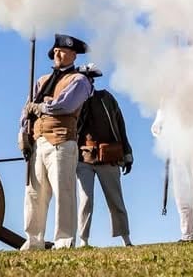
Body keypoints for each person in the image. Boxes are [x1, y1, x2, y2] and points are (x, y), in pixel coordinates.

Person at [20, 33, 93, 250]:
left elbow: (65, 105)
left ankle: (63, 240)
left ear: (73, 55)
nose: (57, 54)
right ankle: (34, 240)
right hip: (38, 141)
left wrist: (42, 107)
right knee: (34, 193)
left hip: (62, 141)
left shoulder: (80, 81)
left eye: (63, 51)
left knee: (64, 192)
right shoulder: (41, 81)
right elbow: (26, 109)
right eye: (56, 51)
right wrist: (23, 132)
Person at [74, 63, 133, 247]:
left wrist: (127, 153)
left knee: (116, 200)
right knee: (85, 202)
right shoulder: (75, 102)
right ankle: (83, 240)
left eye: (88, 79)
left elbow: (120, 126)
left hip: (108, 157)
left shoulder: (106, 98)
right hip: (84, 158)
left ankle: (126, 239)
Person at [151, 109, 193, 241]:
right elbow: (161, 118)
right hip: (178, 141)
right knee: (182, 192)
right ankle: (187, 235)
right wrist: (161, 127)